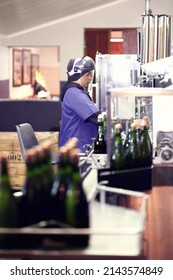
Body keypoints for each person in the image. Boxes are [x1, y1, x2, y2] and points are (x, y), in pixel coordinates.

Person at [59, 56, 100, 153]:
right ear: (78, 74)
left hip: (77, 146)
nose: (90, 78)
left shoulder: (73, 91)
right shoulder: (75, 93)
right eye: (87, 74)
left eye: (91, 74)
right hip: (77, 149)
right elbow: (95, 117)